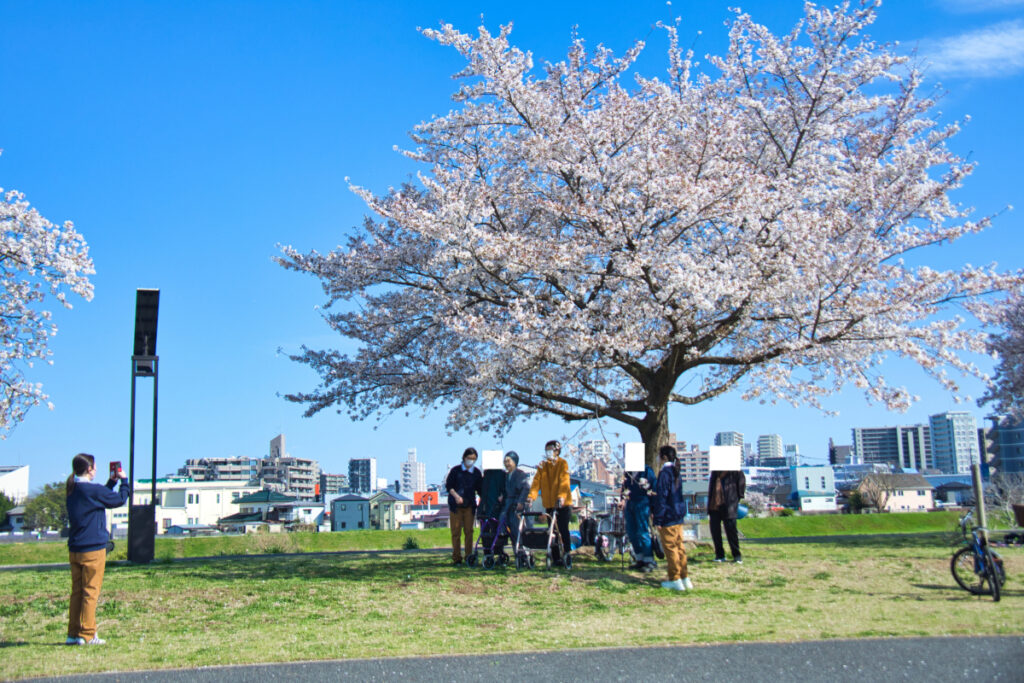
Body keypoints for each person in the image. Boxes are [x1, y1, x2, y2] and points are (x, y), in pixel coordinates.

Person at [65, 453, 130, 645]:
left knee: (77, 591)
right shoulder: (92, 490)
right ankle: (87, 634)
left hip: (75, 548)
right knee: (90, 592)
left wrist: (110, 483)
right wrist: (124, 481)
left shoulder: (72, 489)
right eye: (94, 467)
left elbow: (97, 499)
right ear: (90, 469)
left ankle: (73, 633)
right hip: (93, 548)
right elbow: (119, 500)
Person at [651, 445, 691, 591]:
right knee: (680, 547)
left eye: (659, 455)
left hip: (667, 515)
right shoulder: (676, 472)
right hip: (678, 515)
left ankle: (675, 578)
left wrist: (658, 519)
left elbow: (662, 497)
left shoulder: (664, 474)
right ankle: (684, 577)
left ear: (664, 457)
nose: (657, 457)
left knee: (670, 549)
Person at [526, 440, 572, 562]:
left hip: (563, 504)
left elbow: (564, 481)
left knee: (563, 530)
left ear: (557, 450)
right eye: (547, 450)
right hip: (550, 504)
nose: (548, 452)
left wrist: (561, 496)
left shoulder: (563, 463)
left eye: (551, 450)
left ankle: (567, 553)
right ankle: (555, 557)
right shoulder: (543, 465)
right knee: (552, 531)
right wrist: (531, 496)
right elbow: (536, 482)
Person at [445, 447, 483, 565]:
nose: (471, 461)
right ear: (464, 457)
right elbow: (449, 486)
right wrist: (456, 497)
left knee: (469, 531)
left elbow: (480, 489)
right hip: (455, 506)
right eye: (469, 458)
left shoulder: (476, 472)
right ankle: (456, 558)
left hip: (470, 506)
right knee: (456, 532)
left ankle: (468, 556)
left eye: (473, 459)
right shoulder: (456, 470)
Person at [621, 462, 658, 572]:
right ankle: (639, 558)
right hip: (630, 503)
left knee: (642, 532)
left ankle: (649, 560)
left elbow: (653, 488)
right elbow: (624, 487)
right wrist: (623, 499)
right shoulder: (628, 472)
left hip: (642, 502)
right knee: (631, 532)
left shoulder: (647, 470)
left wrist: (653, 508)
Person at [708, 468, 746, 563]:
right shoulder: (715, 471)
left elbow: (741, 483)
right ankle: (719, 555)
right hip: (714, 504)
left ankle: (736, 555)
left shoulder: (735, 470)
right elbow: (711, 486)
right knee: (715, 531)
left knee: (731, 531)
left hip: (729, 503)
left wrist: (737, 498)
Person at [497, 451, 530, 551]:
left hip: (516, 504)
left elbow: (526, 488)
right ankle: (504, 538)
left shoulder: (520, 474)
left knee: (516, 528)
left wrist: (521, 501)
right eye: (505, 461)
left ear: (515, 462)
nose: (506, 464)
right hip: (507, 503)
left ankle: (521, 552)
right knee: (503, 521)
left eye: (508, 461)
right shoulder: (505, 476)